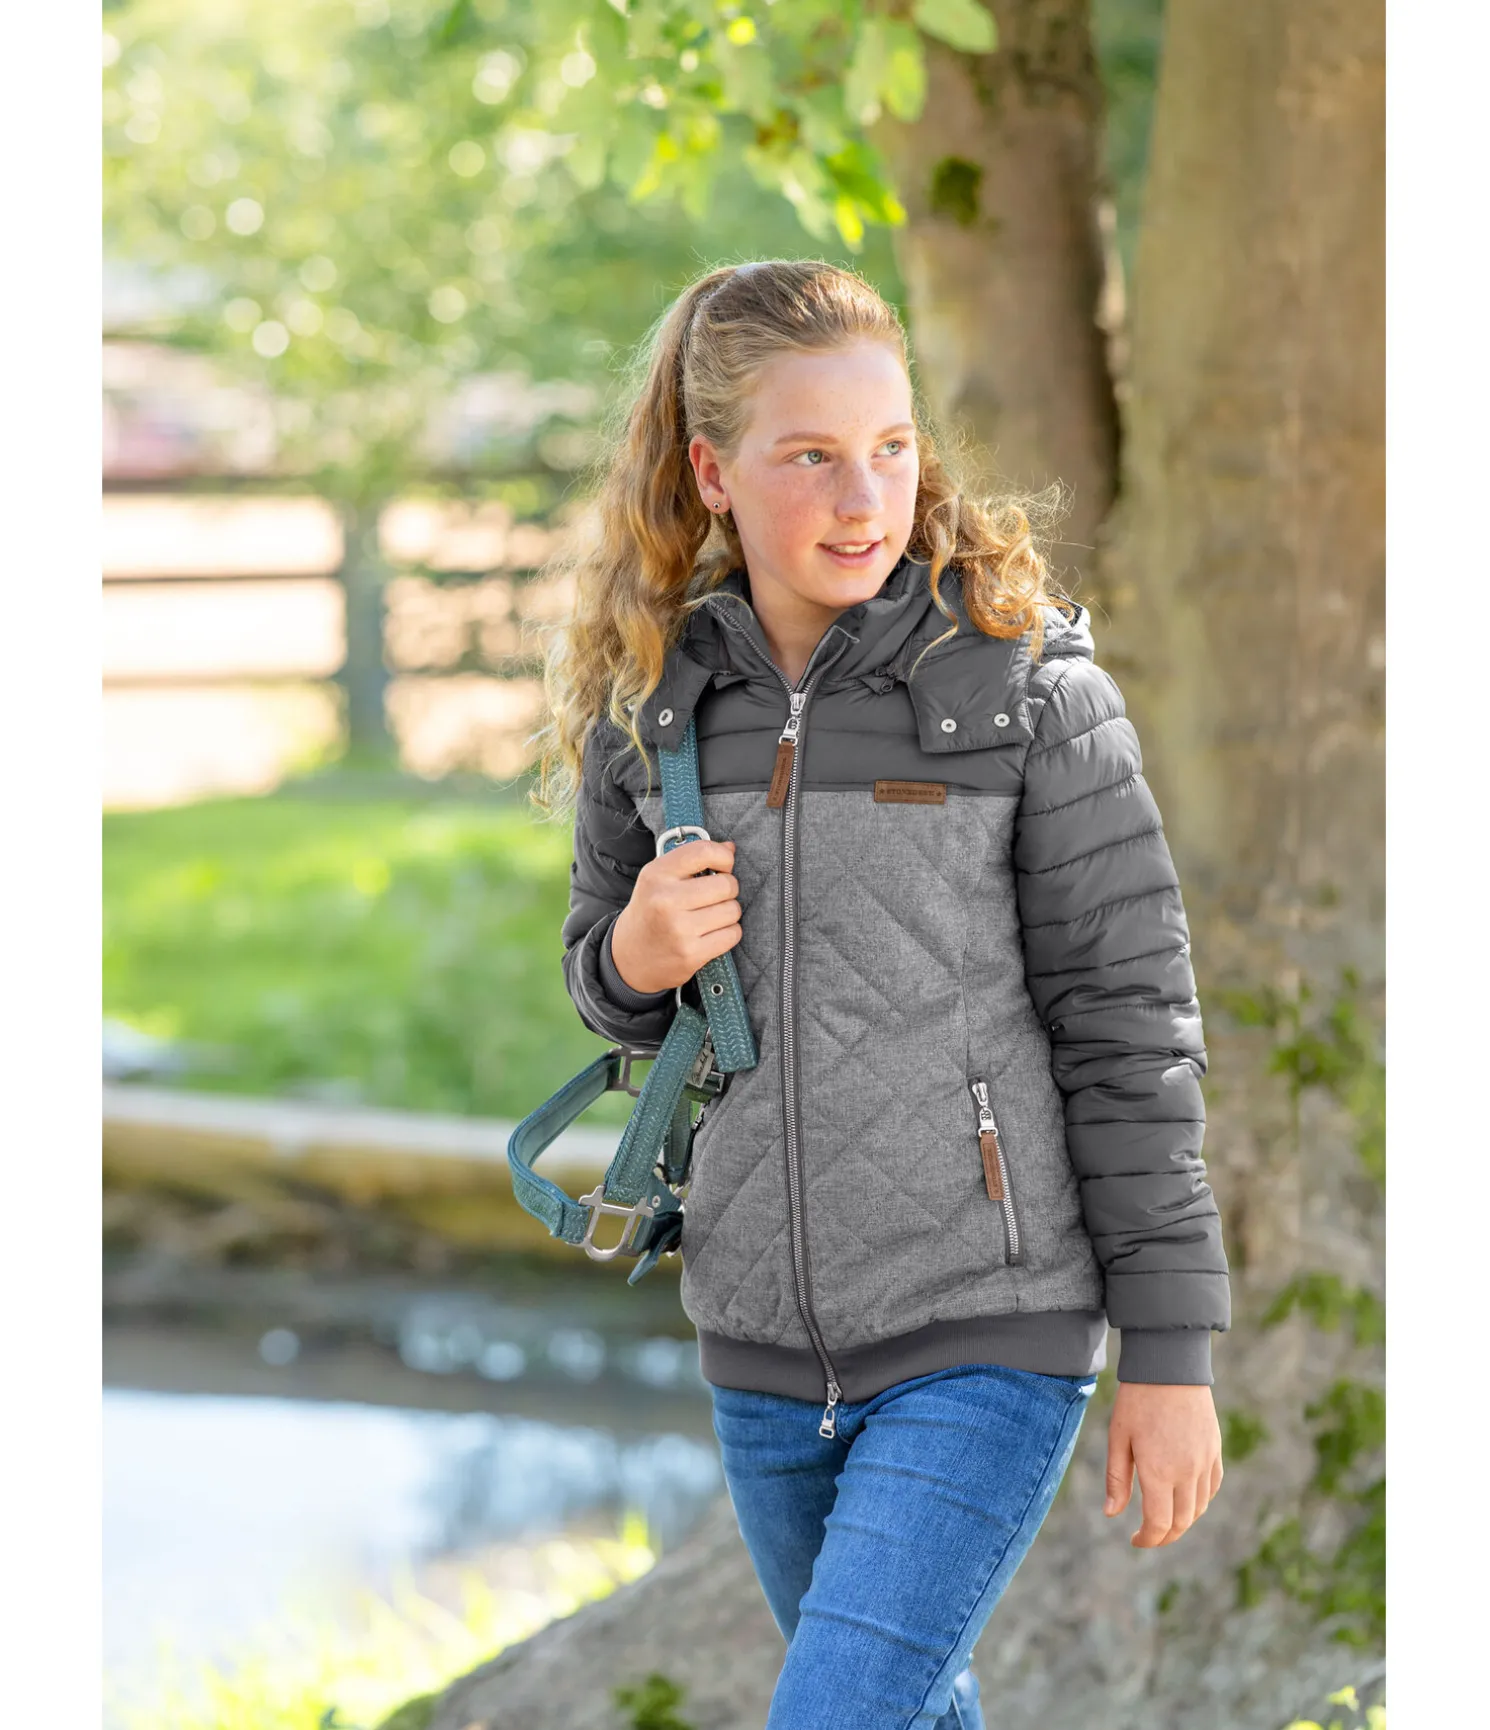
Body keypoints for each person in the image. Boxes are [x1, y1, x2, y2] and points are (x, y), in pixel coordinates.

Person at [532, 258, 1231, 1730]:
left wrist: (1169, 1356)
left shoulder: (1026, 695)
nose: (866, 500)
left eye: (892, 448)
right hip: (758, 1347)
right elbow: (610, 985)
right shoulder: (653, 707)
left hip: (991, 1323)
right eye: (812, 457)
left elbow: (1131, 1031)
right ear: (712, 474)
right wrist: (635, 958)